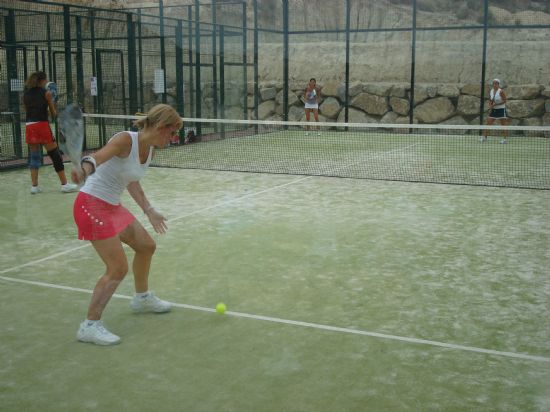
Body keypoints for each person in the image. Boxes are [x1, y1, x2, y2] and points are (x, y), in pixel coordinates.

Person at [72, 104, 183, 346]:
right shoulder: (125, 140)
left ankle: (141, 298)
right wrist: (85, 168)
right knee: (117, 268)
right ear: (160, 127)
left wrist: (150, 211)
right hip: (90, 205)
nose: (174, 138)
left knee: (146, 246)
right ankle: (89, 325)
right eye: (172, 133)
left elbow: (131, 182)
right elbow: (97, 157)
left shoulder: (150, 150)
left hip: (110, 206)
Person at [23, 71, 78, 194]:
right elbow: (53, 113)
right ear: (42, 81)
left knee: (35, 156)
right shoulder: (46, 93)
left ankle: (34, 187)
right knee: (55, 154)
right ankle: (64, 185)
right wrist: (51, 106)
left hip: (29, 126)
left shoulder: (25, 95)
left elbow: (28, 111)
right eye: (45, 80)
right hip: (41, 126)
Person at [481, 79, 509, 144]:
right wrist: (490, 104)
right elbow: (490, 99)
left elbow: (505, 101)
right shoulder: (491, 91)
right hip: (494, 110)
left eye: (496, 83)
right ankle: (485, 138)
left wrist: (496, 104)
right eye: (493, 83)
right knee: (488, 123)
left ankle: (505, 140)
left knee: (504, 125)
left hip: (501, 110)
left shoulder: (501, 91)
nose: (494, 85)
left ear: (498, 84)